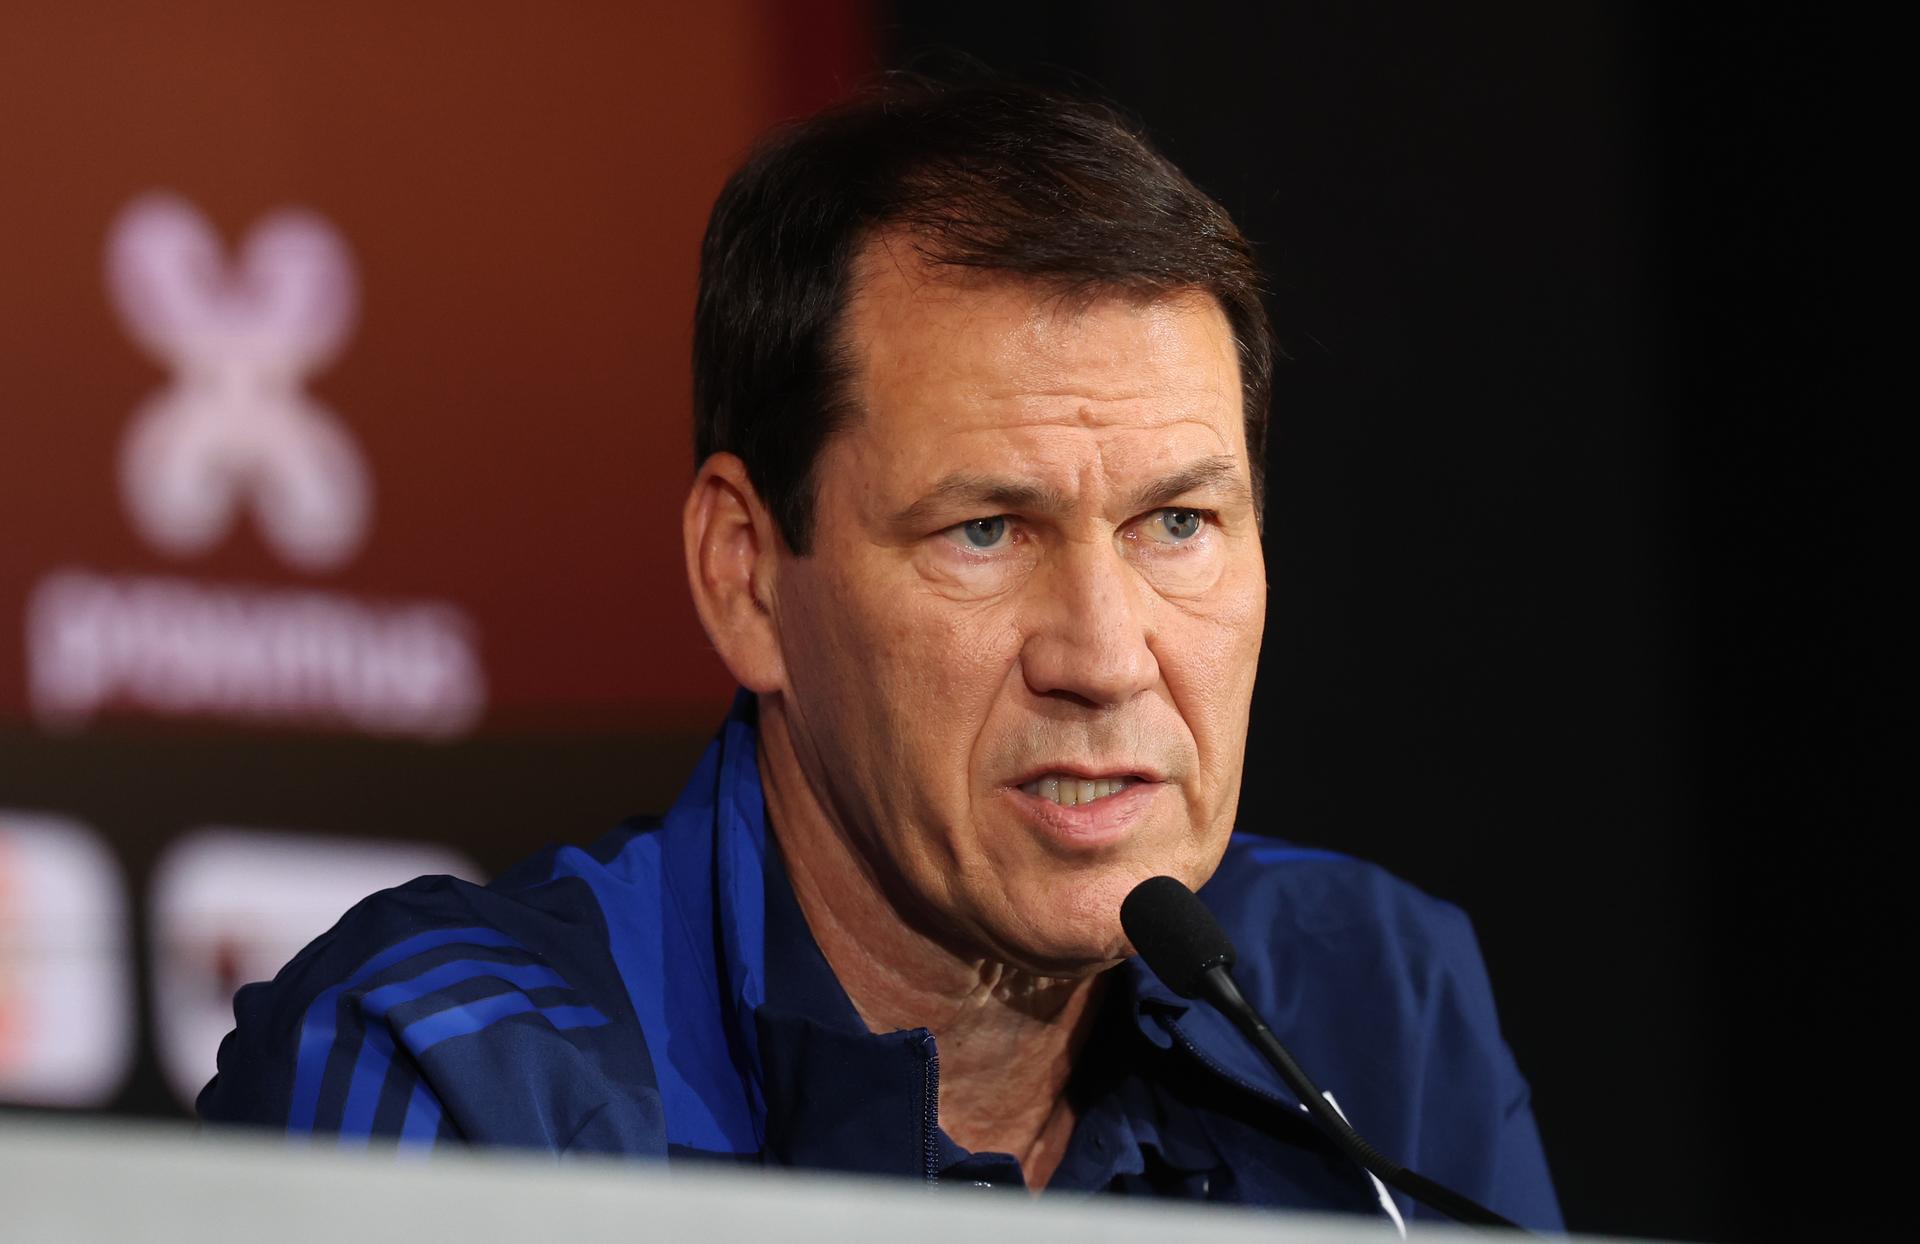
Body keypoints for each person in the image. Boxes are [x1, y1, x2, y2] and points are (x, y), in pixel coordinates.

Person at [199, 77, 1562, 1229]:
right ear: (746, 574)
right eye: (984, 530)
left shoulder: (1373, 1004)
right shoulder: (465, 1083)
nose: (1103, 657)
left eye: (1179, 523)